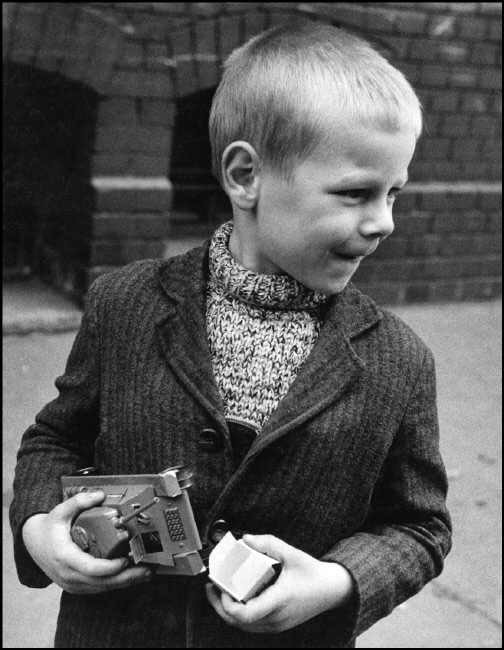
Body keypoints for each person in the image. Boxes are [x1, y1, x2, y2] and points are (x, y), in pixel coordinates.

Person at [10, 21, 451, 649]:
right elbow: (54, 438)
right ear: (245, 176)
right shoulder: (126, 304)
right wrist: (39, 531)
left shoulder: (398, 361)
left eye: (394, 194)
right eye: (356, 193)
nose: (383, 222)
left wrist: (335, 581)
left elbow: (419, 526)